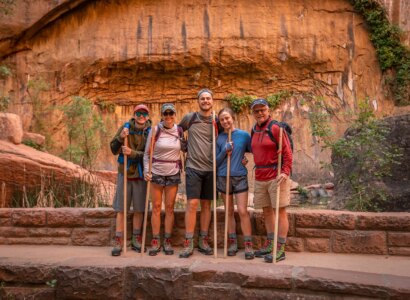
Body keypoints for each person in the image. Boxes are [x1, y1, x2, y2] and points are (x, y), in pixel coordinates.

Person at [250, 98, 293, 263]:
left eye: (263, 110)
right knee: (267, 211)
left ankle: (280, 248)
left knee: (280, 211)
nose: (260, 113)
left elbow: (287, 153)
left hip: (277, 177)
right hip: (260, 177)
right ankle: (270, 244)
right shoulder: (254, 130)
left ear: (268, 111)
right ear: (253, 113)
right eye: (256, 111)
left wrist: (285, 172)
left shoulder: (276, 128)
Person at [178, 88, 215, 258]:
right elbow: (177, 130)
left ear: (212, 101)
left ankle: (203, 240)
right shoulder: (190, 118)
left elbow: (224, 138)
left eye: (208, 98)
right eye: (203, 99)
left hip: (211, 168)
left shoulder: (216, 121)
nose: (205, 101)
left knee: (207, 205)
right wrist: (182, 144)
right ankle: (188, 241)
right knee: (192, 204)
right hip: (193, 166)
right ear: (198, 101)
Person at [110, 104, 151, 256]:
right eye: (138, 113)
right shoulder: (125, 128)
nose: (141, 116)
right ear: (134, 115)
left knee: (139, 208)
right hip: (125, 172)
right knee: (122, 208)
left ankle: (136, 239)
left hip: (141, 174)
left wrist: (132, 153)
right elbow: (113, 149)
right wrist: (121, 138)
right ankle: (119, 240)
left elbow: (149, 155)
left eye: (144, 114)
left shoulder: (150, 132)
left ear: (148, 116)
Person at [143, 103, 184, 256]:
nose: (168, 116)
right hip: (157, 172)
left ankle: (167, 240)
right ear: (162, 115)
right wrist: (147, 171)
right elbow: (147, 154)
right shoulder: (155, 130)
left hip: (173, 172)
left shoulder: (179, 130)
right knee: (156, 207)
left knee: (170, 208)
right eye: (165, 114)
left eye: (171, 113)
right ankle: (155, 240)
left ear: (175, 114)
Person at [216, 107, 255, 260]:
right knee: (229, 211)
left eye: (227, 118)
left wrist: (245, 159)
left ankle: (248, 244)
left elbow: (252, 151)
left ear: (233, 118)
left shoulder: (244, 136)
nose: (225, 121)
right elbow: (216, 162)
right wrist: (224, 151)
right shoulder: (219, 138)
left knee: (243, 211)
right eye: (222, 120)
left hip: (239, 176)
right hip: (223, 176)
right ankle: (232, 242)